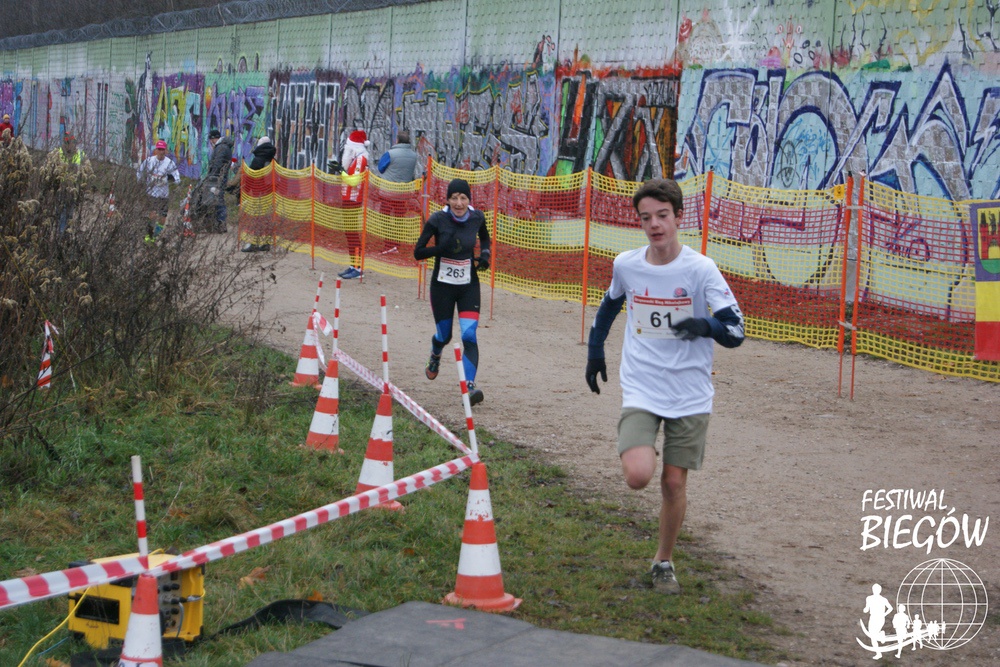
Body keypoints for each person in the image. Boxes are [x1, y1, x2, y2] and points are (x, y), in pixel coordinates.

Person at [585, 178, 744, 594]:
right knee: (638, 475)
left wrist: (705, 325)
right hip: (642, 385)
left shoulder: (700, 269)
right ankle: (643, 440)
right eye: (646, 218)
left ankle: (663, 561)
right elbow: (609, 305)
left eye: (662, 216)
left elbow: (736, 330)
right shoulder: (627, 265)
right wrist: (595, 351)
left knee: (673, 483)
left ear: (678, 217)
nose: (654, 225)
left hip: (690, 393)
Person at [413, 178, 491, 406]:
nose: (459, 203)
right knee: (444, 336)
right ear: (447, 200)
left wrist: (485, 256)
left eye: (463, 198)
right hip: (442, 287)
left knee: (469, 335)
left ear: (469, 200)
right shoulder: (437, 219)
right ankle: (435, 352)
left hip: (468, 286)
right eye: (454, 198)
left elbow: (485, 237)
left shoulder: (477, 217)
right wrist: (440, 249)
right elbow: (418, 252)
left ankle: (469, 387)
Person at [44, 133, 93, 236]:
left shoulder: (80, 154)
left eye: (73, 143)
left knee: (69, 213)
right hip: (61, 188)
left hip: (73, 188)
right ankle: (61, 234)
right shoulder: (58, 153)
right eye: (70, 143)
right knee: (61, 212)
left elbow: (87, 170)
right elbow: (50, 168)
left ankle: (64, 234)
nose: (72, 145)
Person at [338, 129, 370, 279]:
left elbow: (354, 180)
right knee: (349, 233)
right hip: (348, 199)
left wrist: (341, 172)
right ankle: (353, 265)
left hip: (353, 200)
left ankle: (357, 268)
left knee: (352, 234)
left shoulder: (360, 159)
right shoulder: (355, 159)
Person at [136, 139, 180, 241]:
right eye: (159, 149)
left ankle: (154, 236)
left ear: (166, 151)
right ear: (155, 150)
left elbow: (177, 178)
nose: (161, 152)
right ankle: (148, 236)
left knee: (162, 219)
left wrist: (168, 179)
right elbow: (139, 172)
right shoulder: (149, 161)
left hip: (164, 195)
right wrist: (141, 181)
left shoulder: (169, 163)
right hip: (151, 193)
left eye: (163, 149)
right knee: (153, 215)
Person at [242, 136, 276, 252]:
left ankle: (254, 243)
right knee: (267, 218)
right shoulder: (273, 160)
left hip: (258, 194)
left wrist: (245, 191)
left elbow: (250, 178)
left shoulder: (257, 160)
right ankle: (266, 243)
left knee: (256, 218)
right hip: (270, 194)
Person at [203, 128, 234, 233]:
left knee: (218, 200)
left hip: (217, 179)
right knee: (217, 199)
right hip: (220, 178)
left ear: (213, 138)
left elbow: (217, 163)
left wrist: (212, 176)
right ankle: (218, 223)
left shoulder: (221, 148)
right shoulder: (224, 147)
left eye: (211, 140)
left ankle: (220, 223)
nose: (211, 142)